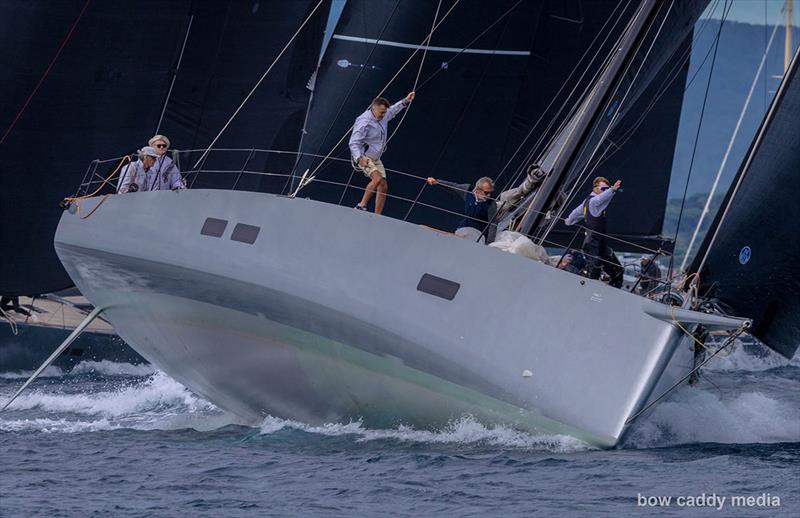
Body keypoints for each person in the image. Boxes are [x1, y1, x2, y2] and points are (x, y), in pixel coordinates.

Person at [349, 92, 415, 214]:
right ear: (373, 109)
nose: (383, 115)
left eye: (384, 112)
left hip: (376, 157)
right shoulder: (364, 121)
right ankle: (361, 205)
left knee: (383, 185)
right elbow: (353, 142)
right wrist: (359, 158)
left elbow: (393, 110)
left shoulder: (384, 114)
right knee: (377, 179)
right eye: (381, 112)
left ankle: (377, 215)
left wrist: (405, 100)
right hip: (364, 156)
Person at [565, 176, 624, 288]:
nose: (605, 192)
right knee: (594, 271)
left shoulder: (587, 203)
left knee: (618, 270)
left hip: (601, 244)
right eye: (603, 189)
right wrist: (612, 190)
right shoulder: (592, 202)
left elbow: (575, 213)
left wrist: (569, 220)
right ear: (595, 188)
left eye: (606, 189)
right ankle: (587, 292)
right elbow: (599, 199)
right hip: (592, 244)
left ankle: (613, 292)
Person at [426, 176, 497, 243]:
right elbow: (453, 186)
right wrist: (437, 182)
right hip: (463, 227)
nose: (489, 195)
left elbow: (493, 224)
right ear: (478, 189)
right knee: (456, 239)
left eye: (491, 192)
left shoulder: (491, 203)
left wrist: (489, 243)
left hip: (478, 233)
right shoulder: (467, 190)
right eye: (486, 192)